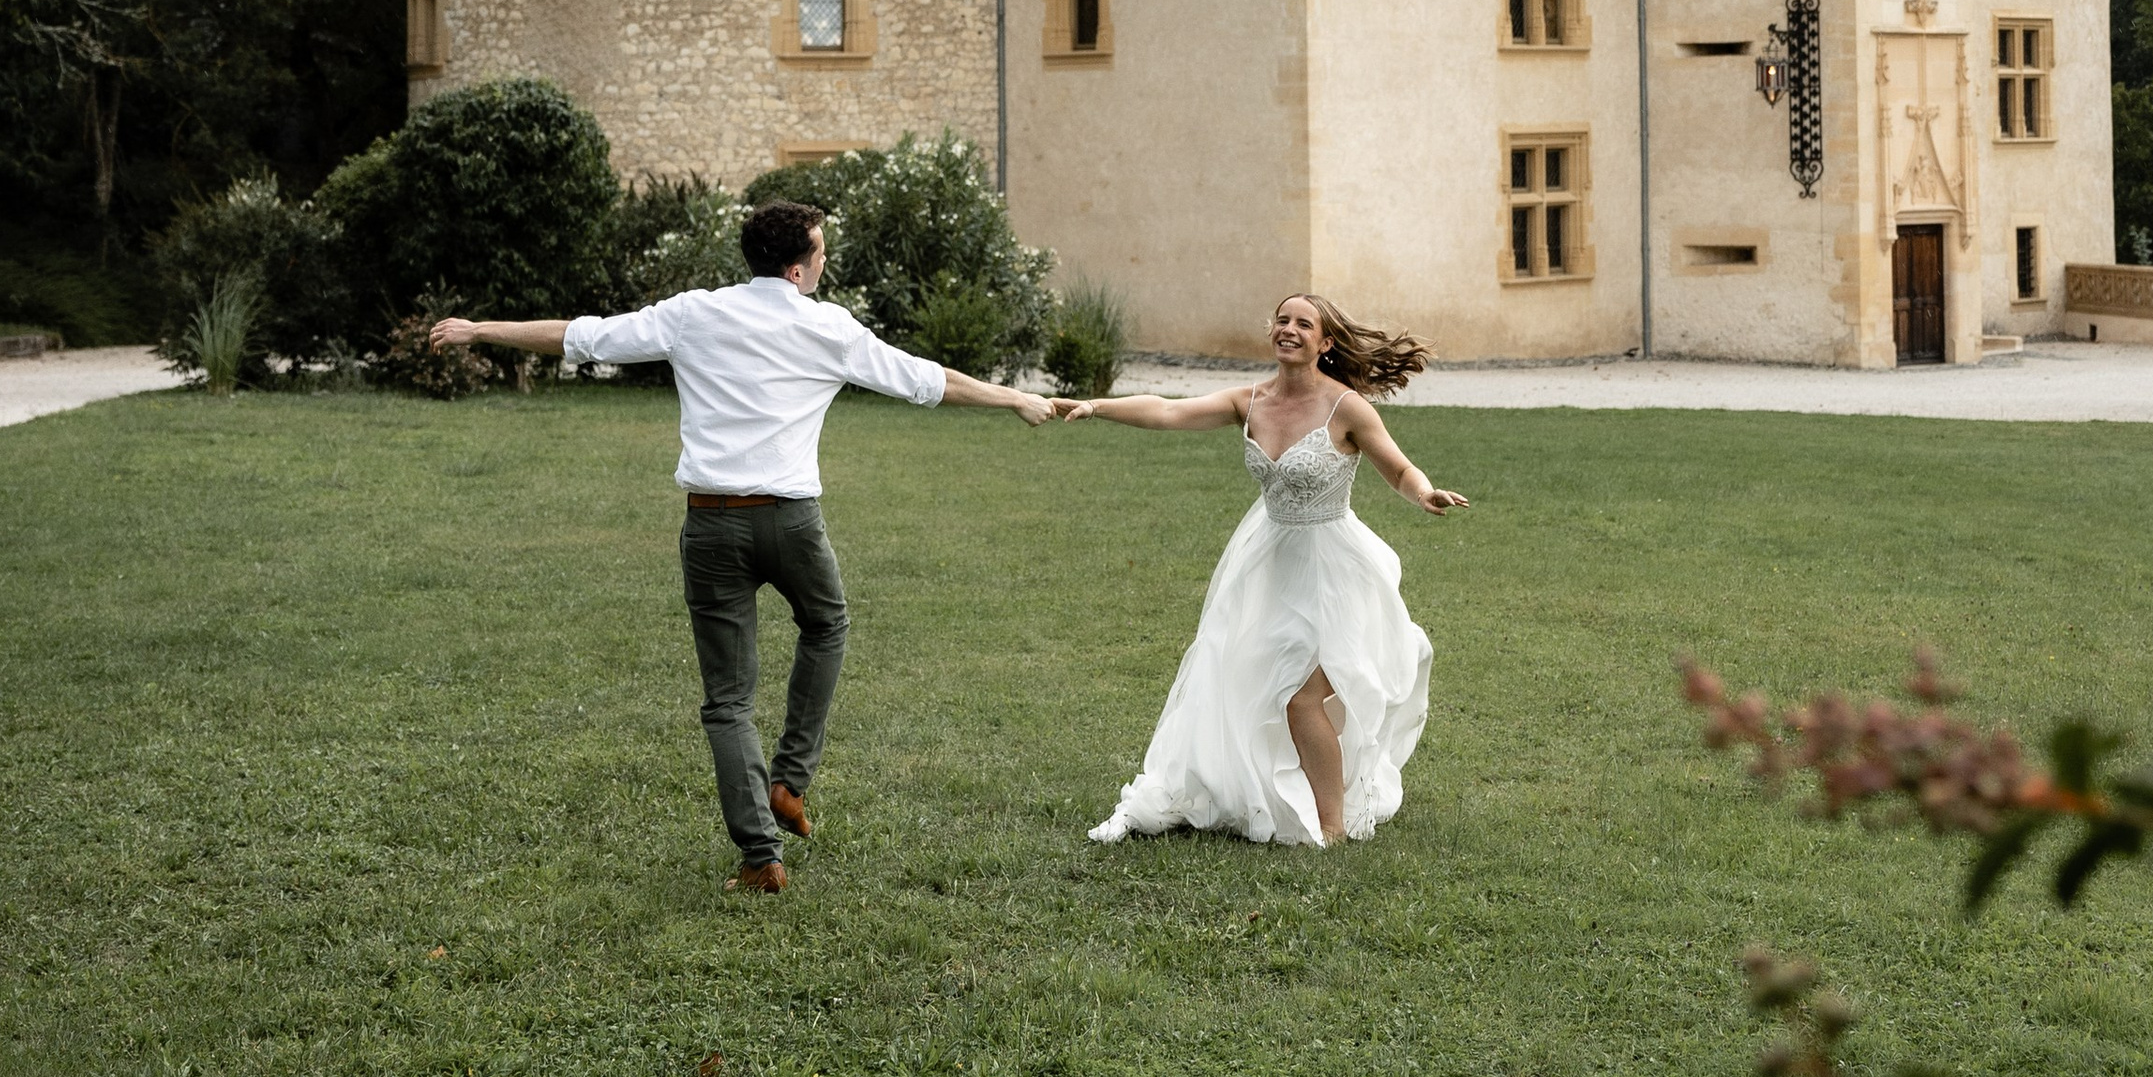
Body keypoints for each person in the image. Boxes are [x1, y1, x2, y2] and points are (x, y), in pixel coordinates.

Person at [430, 198, 1052, 893]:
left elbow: (582, 336)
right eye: (820, 253)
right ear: (796, 268)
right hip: (792, 524)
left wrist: (480, 328)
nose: (823, 263)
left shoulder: (696, 312)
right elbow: (925, 380)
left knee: (728, 701)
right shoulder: (827, 327)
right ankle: (791, 779)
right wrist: (1011, 398)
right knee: (827, 624)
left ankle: (762, 857)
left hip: (712, 525)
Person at [1063, 291, 1465, 848]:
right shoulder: (1248, 401)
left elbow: (1398, 468)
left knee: (1303, 698)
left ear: (1325, 343)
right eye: (1282, 320)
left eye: (1305, 324)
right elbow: (1169, 409)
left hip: (1336, 570)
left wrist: (1423, 493)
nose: (1290, 330)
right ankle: (1251, 791)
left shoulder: (1346, 407)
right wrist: (1098, 406)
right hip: (1269, 564)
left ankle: (1332, 830)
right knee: (1249, 685)